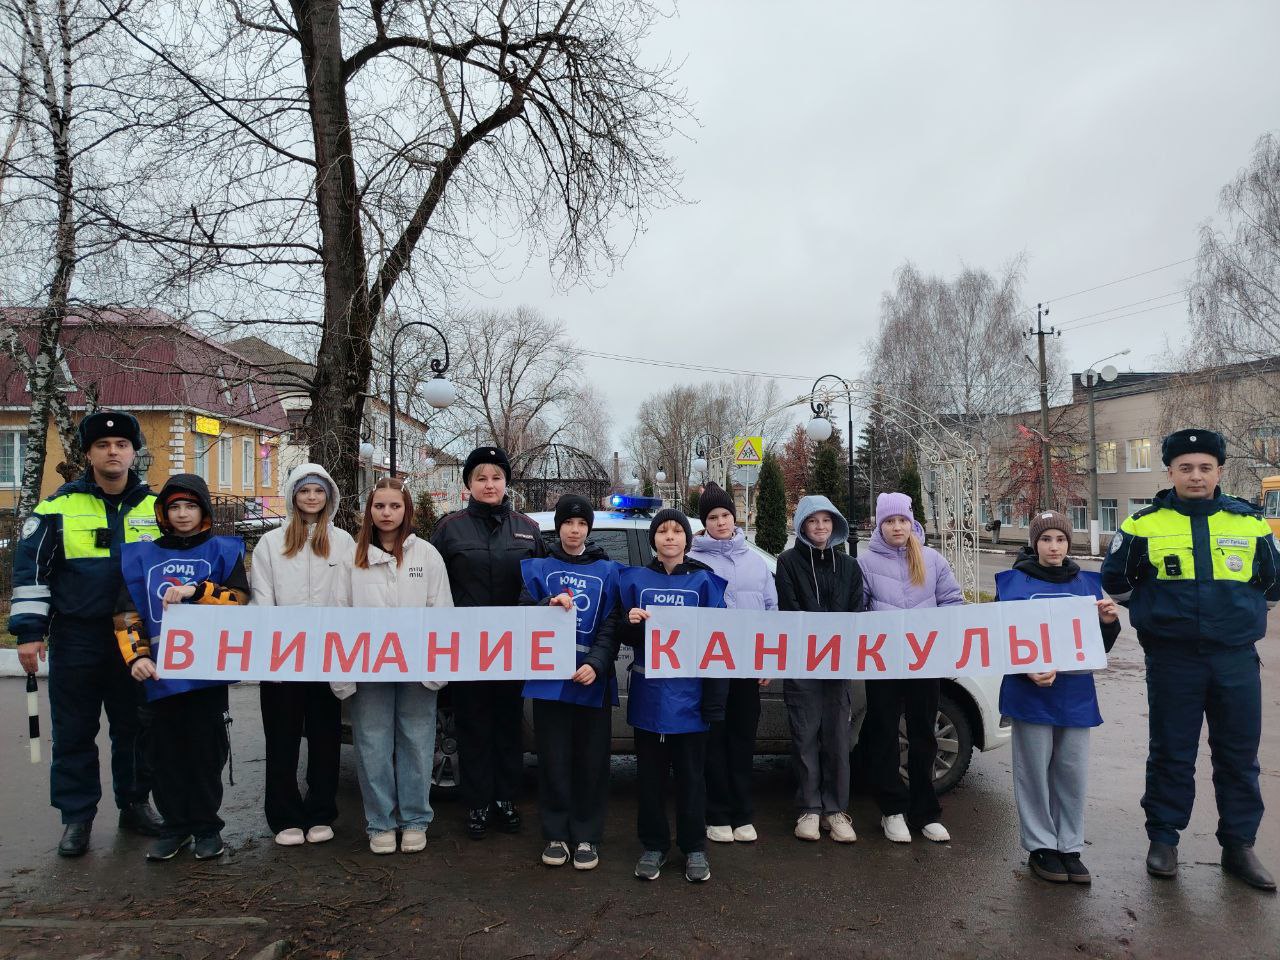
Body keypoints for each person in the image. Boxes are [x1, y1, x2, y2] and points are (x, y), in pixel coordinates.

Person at [1102, 428, 1279, 891]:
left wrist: (1239, 616)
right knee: (1171, 753)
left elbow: (1274, 585)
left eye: (1204, 467)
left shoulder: (1250, 523)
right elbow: (1117, 581)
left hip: (1235, 661)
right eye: (1185, 467)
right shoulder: (1143, 524)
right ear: (1170, 472)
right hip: (1173, 660)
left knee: (1239, 757)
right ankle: (1163, 839)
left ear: (1219, 471)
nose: (1195, 476)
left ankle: (1238, 846)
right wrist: (1151, 614)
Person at [8, 410, 164, 857]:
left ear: (133, 452)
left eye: (120, 445)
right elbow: (31, 573)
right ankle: (76, 818)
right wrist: (28, 633)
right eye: (102, 446)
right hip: (77, 636)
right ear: (89, 454)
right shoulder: (56, 507)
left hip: (135, 640)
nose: (112, 452)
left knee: (135, 729)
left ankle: (136, 804)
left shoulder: (156, 508)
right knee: (74, 732)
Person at [115, 474, 248, 861]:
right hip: (159, 677)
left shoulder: (223, 552)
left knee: (206, 753)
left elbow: (239, 599)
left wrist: (198, 590)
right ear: (164, 513)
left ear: (203, 510)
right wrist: (136, 656)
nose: (183, 514)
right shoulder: (141, 556)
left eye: (190, 506)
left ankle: (206, 826)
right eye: (175, 506)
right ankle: (175, 827)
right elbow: (127, 613)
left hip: (206, 676)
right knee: (164, 754)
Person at [996, 510, 1120, 884]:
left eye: (1061, 539)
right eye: (1047, 539)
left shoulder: (1086, 584)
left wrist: (1109, 623)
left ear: (1069, 543)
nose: (1054, 547)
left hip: (1075, 695)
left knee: (1071, 773)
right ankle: (1040, 846)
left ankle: (1070, 845)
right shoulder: (1014, 583)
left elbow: (1098, 647)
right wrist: (1025, 668)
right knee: (1033, 773)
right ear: (1035, 543)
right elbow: (999, 641)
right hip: (1030, 693)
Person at [431, 445, 547, 839]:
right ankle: (478, 802)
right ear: (468, 484)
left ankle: (505, 798)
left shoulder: (527, 528)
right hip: (467, 648)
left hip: (513, 648)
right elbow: (434, 587)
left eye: (496, 477)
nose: (489, 484)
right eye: (481, 477)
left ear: (506, 481)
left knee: (508, 725)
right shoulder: (450, 529)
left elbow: (543, 583)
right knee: (473, 726)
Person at [335, 478, 452, 855]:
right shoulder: (353, 559)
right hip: (369, 671)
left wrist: (438, 666)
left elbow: (442, 612)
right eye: (380, 506)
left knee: (417, 744)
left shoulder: (427, 556)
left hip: (417, 669)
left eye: (395, 506)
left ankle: (415, 819)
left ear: (406, 511)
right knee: (372, 745)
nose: (387, 513)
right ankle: (380, 821)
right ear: (370, 510)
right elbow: (340, 615)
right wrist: (343, 671)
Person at [620, 508, 728, 883]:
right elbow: (623, 633)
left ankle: (694, 847)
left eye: (676, 531)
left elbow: (719, 642)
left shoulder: (705, 582)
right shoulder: (634, 580)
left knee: (691, 777)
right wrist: (629, 624)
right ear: (653, 539)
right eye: (662, 531)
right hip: (649, 696)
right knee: (649, 777)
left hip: (691, 698)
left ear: (687, 539)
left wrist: (715, 699)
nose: (669, 537)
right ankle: (653, 845)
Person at [250, 462, 355, 847]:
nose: (311, 497)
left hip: (328, 657)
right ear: (294, 496)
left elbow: (350, 596)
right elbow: (262, 599)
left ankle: (320, 811)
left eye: (319, 491)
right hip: (284, 657)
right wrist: (270, 652)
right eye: (304, 490)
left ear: (329, 497)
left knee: (326, 738)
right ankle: (284, 815)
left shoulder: (343, 542)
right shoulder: (270, 544)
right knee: (282, 738)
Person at [519, 494, 623, 871]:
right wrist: (545, 606)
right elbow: (519, 613)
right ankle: (556, 834)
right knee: (554, 760)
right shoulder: (538, 569)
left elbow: (613, 624)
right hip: (549, 682)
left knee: (591, 763)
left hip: (591, 682)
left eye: (581, 524)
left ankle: (587, 836)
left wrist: (596, 663)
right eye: (568, 523)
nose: (575, 530)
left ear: (588, 529)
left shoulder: (608, 571)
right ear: (558, 528)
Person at [857, 492, 963, 844]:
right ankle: (892, 811)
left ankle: (925, 811)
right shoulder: (865, 561)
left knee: (923, 735)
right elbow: (857, 611)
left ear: (911, 521)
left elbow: (952, 600)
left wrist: (938, 631)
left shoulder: (931, 559)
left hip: (923, 661)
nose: (897, 527)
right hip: (883, 663)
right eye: (889, 521)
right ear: (880, 524)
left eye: (902, 520)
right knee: (884, 735)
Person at [687, 482, 776, 844]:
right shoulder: (694, 561)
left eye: (725, 515)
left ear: (734, 517)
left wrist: (768, 661)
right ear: (704, 522)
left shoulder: (755, 561)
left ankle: (743, 813)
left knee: (742, 740)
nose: (721, 522)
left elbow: (773, 612)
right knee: (714, 741)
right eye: (712, 516)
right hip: (710, 669)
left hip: (747, 669)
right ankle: (717, 813)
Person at [774, 495, 864, 845]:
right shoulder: (788, 563)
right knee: (805, 737)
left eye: (827, 520)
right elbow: (790, 609)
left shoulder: (850, 567)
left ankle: (836, 810)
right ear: (802, 525)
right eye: (813, 521)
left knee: (838, 741)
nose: (821, 527)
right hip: (802, 665)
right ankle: (810, 808)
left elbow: (856, 613)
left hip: (838, 667)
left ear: (836, 525)